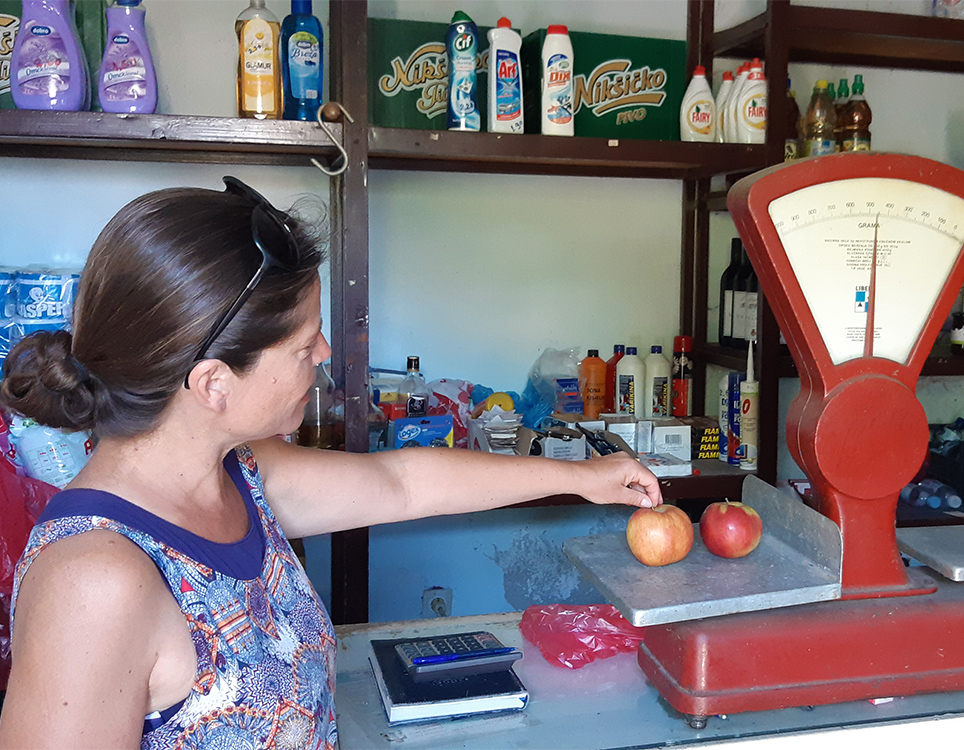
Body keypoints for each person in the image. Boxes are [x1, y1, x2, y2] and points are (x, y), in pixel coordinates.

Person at [0, 178, 662, 749]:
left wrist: (583, 478)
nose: (322, 352)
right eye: (300, 342)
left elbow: (399, 482)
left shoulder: (241, 473)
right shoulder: (94, 581)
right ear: (212, 384)